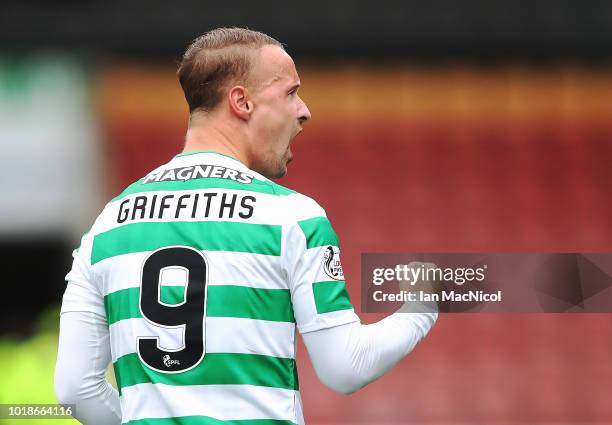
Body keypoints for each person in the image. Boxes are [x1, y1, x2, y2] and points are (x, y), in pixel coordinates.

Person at [54, 27, 437, 425]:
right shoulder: (291, 217)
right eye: (290, 93)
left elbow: (75, 390)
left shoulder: (107, 226)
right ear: (241, 101)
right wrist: (422, 305)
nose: (304, 110)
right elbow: (346, 365)